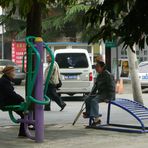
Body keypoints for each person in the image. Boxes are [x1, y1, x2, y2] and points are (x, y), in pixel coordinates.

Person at [83, 61, 115, 125]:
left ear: (102, 67)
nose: (96, 68)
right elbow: (95, 86)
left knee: (94, 101)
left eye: (97, 66)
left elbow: (112, 88)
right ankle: (89, 113)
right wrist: (91, 94)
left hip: (106, 94)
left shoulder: (108, 75)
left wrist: (110, 98)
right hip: (100, 93)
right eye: (95, 67)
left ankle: (97, 119)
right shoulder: (99, 75)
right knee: (87, 98)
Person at [0, 66, 26, 137]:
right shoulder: (4, 81)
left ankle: (23, 132)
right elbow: (11, 94)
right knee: (25, 113)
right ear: (9, 73)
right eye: (13, 71)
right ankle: (23, 132)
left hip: (6, 101)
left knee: (24, 114)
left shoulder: (5, 79)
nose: (15, 73)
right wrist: (22, 99)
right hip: (6, 102)